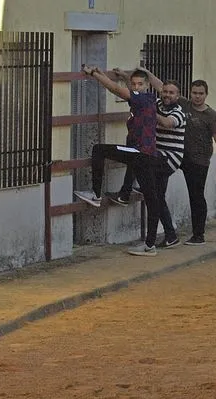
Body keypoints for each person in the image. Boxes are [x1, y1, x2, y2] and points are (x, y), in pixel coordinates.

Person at [73, 66, 169, 257]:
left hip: (138, 153)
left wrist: (95, 75)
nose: (136, 87)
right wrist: (109, 74)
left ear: (147, 85)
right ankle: (150, 245)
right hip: (147, 156)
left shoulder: (142, 98)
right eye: (134, 84)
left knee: (99, 149)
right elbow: (128, 91)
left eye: (140, 84)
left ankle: (96, 194)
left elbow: (117, 89)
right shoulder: (149, 99)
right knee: (152, 200)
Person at [122, 68, 186, 249]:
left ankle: (126, 191)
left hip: (168, 159)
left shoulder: (179, 112)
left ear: (178, 96)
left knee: (137, 158)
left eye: (171, 93)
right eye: (165, 91)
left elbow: (166, 123)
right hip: (157, 156)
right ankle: (171, 236)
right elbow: (136, 96)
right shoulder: (156, 103)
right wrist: (126, 78)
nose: (167, 95)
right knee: (158, 197)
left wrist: (148, 111)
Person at [179, 79, 216, 245]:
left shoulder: (212, 116)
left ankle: (199, 235)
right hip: (180, 156)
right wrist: (146, 73)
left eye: (201, 93)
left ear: (206, 95)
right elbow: (160, 86)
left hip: (199, 161)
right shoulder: (184, 105)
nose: (197, 96)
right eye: (194, 93)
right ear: (190, 93)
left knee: (196, 196)